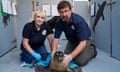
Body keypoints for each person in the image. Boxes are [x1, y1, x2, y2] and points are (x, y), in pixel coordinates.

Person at [52, 0, 97, 67]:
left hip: (84, 40)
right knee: (64, 57)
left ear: (70, 10)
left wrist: (70, 57)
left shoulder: (78, 21)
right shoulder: (59, 22)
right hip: (72, 40)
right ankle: (76, 51)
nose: (64, 14)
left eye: (66, 11)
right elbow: (56, 38)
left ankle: (92, 50)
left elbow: (82, 43)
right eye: (61, 12)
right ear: (58, 12)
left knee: (79, 61)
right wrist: (53, 52)